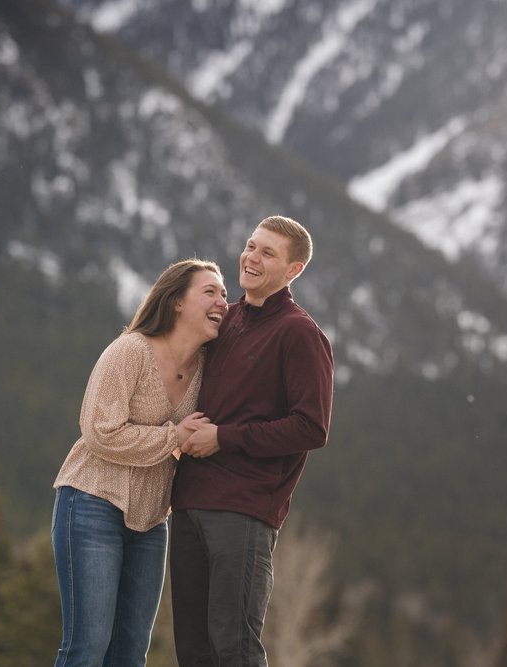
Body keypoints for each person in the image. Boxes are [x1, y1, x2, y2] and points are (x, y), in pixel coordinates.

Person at [170, 215, 335, 666]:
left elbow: (311, 427)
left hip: (243, 510)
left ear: (293, 270)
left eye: (268, 252)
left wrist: (223, 437)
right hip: (188, 501)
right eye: (250, 245)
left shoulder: (301, 334)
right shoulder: (225, 320)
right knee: (193, 649)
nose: (251, 257)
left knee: (234, 647)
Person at [51, 258, 228, 667]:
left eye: (224, 293)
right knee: (87, 647)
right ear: (178, 302)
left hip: (151, 522)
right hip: (92, 502)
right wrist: (174, 437)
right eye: (211, 291)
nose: (223, 300)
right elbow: (99, 430)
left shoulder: (206, 370)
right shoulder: (130, 350)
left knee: (131, 654)